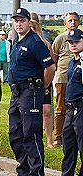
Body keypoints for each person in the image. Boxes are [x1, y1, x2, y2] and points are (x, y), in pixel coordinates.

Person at [7, 7, 56, 176]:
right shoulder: (17, 41)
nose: (18, 24)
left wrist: (42, 87)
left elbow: (50, 68)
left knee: (31, 134)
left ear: (29, 22)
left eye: (22, 20)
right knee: (15, 133)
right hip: (16, 92)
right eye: (16, 20)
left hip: (30, 91)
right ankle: (23, 172)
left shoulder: (35, 42)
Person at [45, 28, 83, 176]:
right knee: (69, 148)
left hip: (81, 108)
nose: (73, 44)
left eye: (77, 41)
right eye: (71, 42)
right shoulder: (72, 62)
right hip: (70, 109)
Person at [51, 12, 80, 148]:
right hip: (63, 77)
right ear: (65, 23)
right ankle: (58, 137)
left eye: (75, 20)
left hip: (78, 78)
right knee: (61, 108)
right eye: (70, 20)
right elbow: (54, 60)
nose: (72, 23)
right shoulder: (60, 39)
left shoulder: (81, 37)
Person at [31, 13, 57, 148]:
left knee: (47, 111)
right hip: (31, 82)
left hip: (44, 80)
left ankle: (49, 140)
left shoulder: (45, 43)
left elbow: (52, 65)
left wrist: (46, 85)